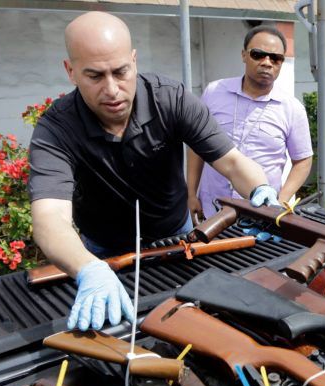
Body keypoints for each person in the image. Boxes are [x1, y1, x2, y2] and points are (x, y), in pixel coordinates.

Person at [28, 12, 279, 332]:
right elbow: (50, 217)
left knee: (188, 321)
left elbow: (231, 161)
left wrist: (260, 190)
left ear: (134, 60)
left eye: (121, 71)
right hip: (104, 251)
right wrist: (89, 269)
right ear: (71, 71)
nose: (112, 89)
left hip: (176, 236)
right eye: (95, 76)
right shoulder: (56, 129)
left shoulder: (170, 99)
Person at [187, 25, 313, 221]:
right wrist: (191, 194)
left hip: (261, 214)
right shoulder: (214, 92)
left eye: (275, 58)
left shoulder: (292, 108)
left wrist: (280, 203)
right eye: (258, 55)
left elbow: (303, 160)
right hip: (212, 208)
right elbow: (197, 145)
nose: (267, 63)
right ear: (244, 55)